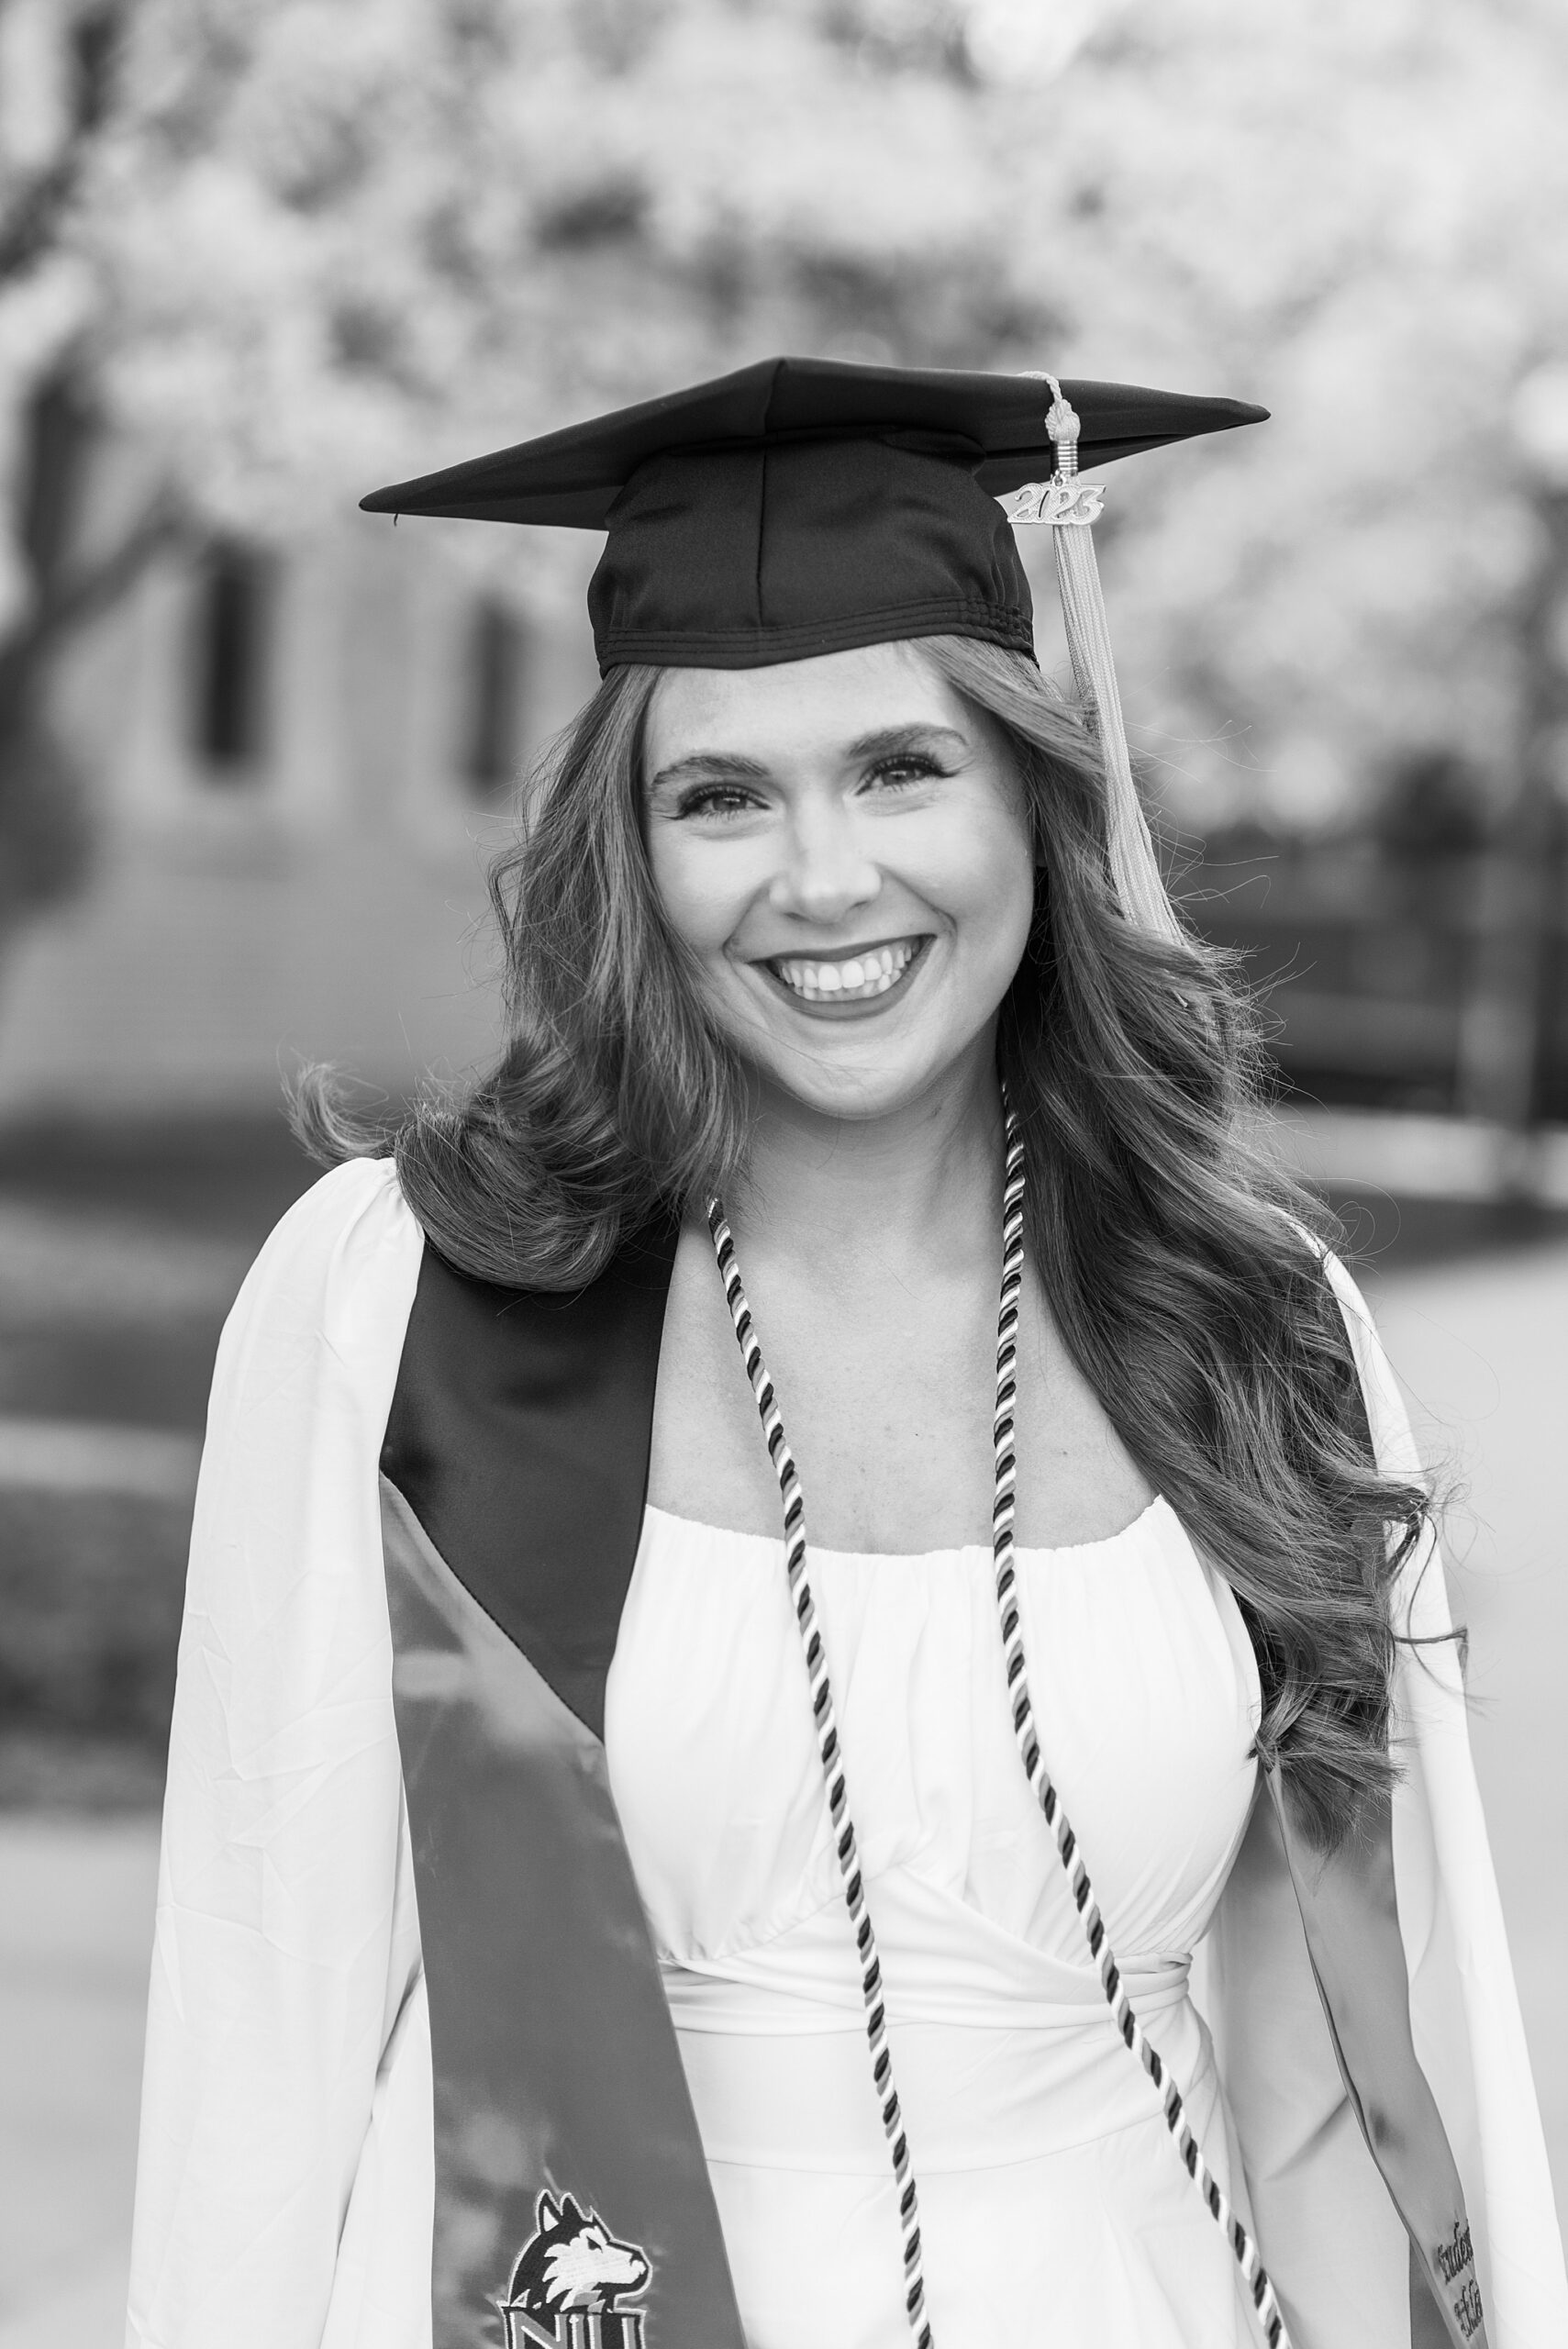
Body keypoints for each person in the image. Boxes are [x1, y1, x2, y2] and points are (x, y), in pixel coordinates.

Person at [126, 359, 1565, 2349]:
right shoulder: (407, 1299)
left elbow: (1403, 2024)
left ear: (1035, 801)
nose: (822, 881)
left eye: (902, 766)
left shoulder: (1251, 1315)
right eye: (722, 794)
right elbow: (257, 2011)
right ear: (629, 852)